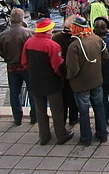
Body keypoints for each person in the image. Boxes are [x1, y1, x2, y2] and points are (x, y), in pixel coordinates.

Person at [22, 17, 74, 145]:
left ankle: (44, 136)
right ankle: (61, 134)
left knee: (40, 111)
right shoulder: (52, 46)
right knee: (57, 110)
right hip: (51, 82)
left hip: (35, 81)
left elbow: (24, 62)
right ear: (48, 30)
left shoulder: (28, 43)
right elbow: (57, 66)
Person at [65, 16, 109, 146]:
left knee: (83, 111)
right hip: (96, 80)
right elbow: (105, 55)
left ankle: (86, 137)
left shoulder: (74, 46)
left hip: (81, 83)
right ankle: (102, 133)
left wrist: (68, 77)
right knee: (99, 107)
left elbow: (73, 68)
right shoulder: (97, 39)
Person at [0, 8, 35, 125]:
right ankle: (34, 116)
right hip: (26, 66)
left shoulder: (3, 35)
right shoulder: (28, 33)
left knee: (14, 93)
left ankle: (17, 118)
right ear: (22, 18)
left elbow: (0, 51)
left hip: (12, 66)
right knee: (32, 92)